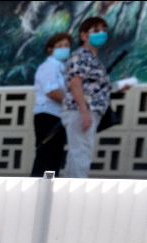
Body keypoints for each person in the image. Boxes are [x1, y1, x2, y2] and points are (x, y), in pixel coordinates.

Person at [61, 17, 111, 178]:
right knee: (81, 153)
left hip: (89, 110)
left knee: (78, 152)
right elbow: (75, 83)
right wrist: (84, 112)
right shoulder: (81, 55)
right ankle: (77, 194)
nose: (101, 34)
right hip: (81, 110)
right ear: (83, 36)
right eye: (96, 31)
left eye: (104, 30)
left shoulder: (93, 58)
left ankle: (68, 193)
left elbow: (94, 86)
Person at [31, 33, 72, 177]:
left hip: (59, 116)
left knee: (55, 158)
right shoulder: (49, 67)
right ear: (50, 49)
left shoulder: (62, 68)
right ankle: (37, 193)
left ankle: (48, 193)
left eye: (67, 46)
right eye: (60, 46)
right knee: (45, 157)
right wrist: (74, 102)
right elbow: (52, 92)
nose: (64, 48)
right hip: (47, 116)